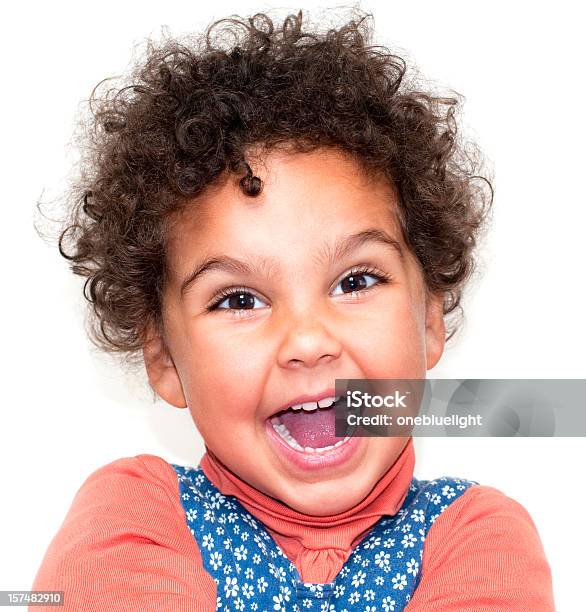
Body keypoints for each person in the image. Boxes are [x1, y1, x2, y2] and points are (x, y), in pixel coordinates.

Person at [31, 9, 555, 611]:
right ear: (165, 360)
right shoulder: (131, 514)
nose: (307, 339)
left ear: (430, 319)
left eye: (355, 281)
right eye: (239, 299)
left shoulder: (480, 536)